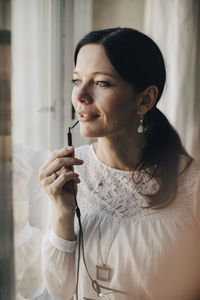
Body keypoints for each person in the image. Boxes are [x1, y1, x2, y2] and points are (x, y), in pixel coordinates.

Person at [39, 28, 200, 300]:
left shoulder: (193, 186)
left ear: (145, 99)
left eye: (101, 83)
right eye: (77, 80)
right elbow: (60, 291)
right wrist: (63, 213)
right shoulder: (67, 173)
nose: (80, 96)